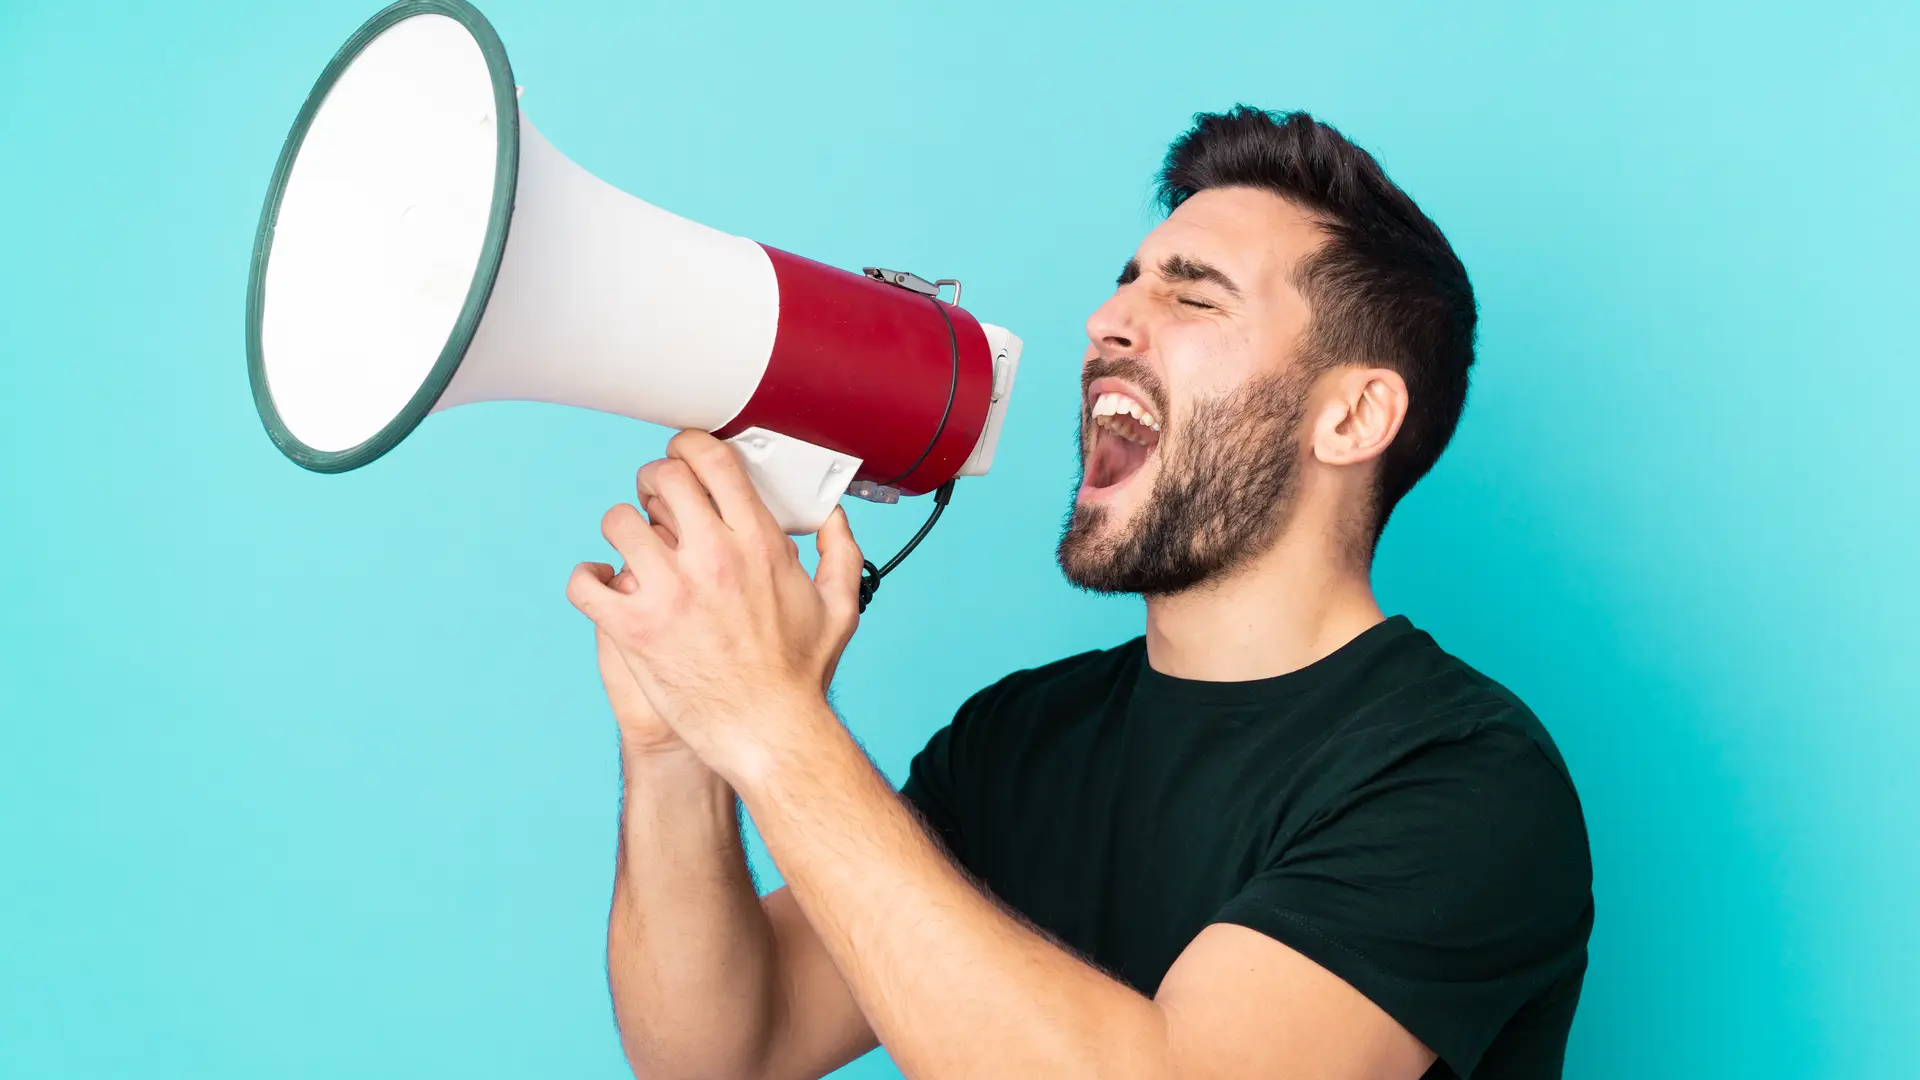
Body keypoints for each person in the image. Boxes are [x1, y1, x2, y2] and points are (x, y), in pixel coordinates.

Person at [565, 106, 1594, 1080]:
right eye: (1125, 287)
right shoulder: (1020, 737)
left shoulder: (1463, 780)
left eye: (1192, 297)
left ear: (1353, 417)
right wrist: (676, 737)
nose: (1106, 322)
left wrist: (772, 722)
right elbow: (726, 1049)